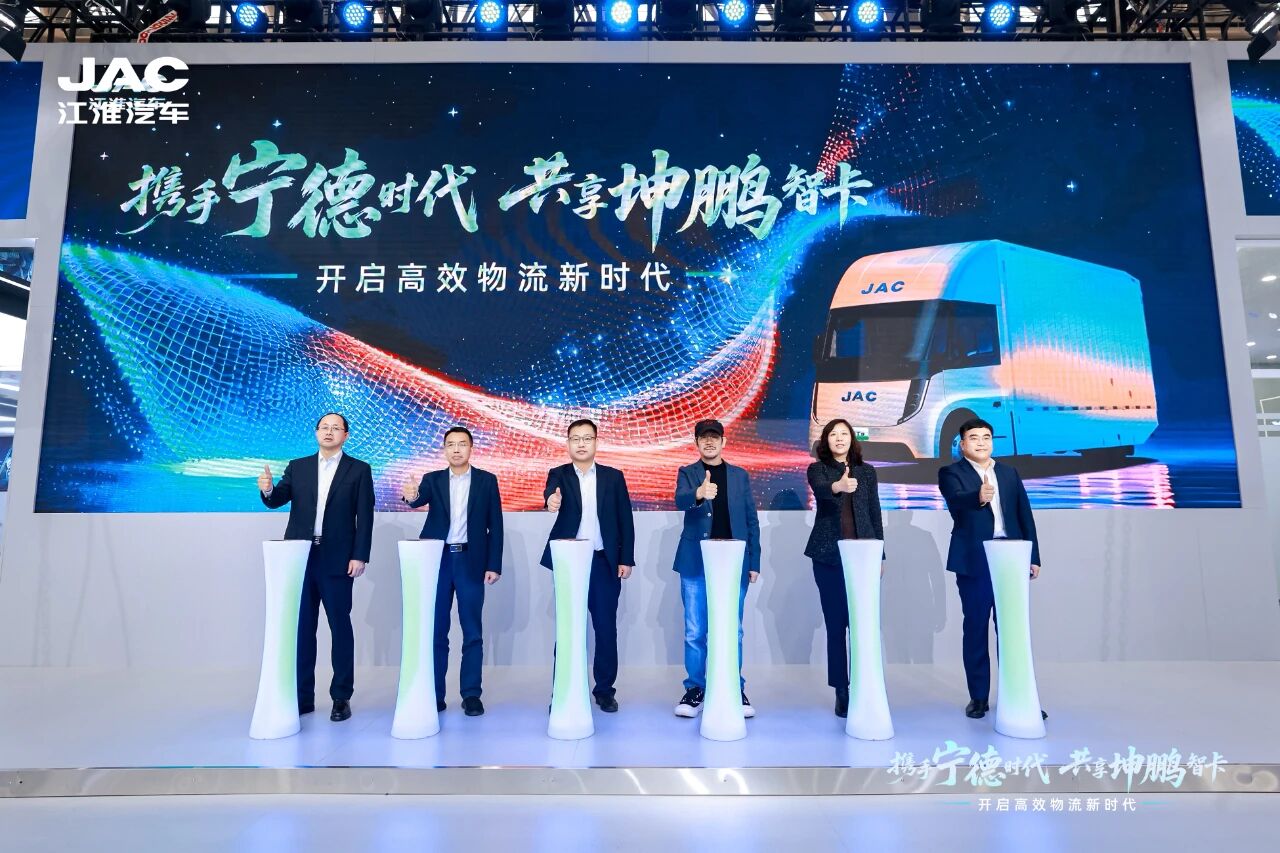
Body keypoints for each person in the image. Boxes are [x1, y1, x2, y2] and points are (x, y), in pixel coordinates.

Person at [258, 412, 374, 723]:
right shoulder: (298, 467)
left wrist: (360, 555)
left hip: (338, 559)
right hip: (300, 558)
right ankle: (302, 697)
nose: (329, 432)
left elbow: (365, 517)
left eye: (336, 428)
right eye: (324, 427)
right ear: (316, 432)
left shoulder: (359, 469)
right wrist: (268, 489)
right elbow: (277, 499)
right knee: (302, 629)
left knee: (340, 628)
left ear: (346, 435)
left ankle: (341, 697)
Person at [937, 417, 1045, 721]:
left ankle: (1018, 696)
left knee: (1012, 630)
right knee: (976, 627)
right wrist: (978, 497)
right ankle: (979, 697)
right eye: (974, 438)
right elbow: (955, 500)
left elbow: (1024, 515)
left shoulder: (1009, 473)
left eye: (986, 437)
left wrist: (1033, 556)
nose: (981, 442)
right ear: (962, 444)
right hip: (975, 559)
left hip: (1011, 556)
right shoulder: (951, 473)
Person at [401, 426, 504, 717]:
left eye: (462, 444)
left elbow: (495, 525)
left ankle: (471, 694)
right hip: (437, 560)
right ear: (444, 449)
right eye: (450, 444)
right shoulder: (432, 479)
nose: (456, 449)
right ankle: (435, 694)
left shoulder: (486, 480)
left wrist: (493, 564)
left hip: (472, 560)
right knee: (436, 630)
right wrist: (410, 496)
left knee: (472, 631)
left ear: (471, 448)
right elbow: (417, 499)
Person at [540, 419, 636, 713]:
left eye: (587, 438)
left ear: (596, 442)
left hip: (603, 561)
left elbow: (625, 519)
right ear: (568, 443)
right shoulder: (559, 474)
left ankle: (604, 690)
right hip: (570, 562)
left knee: (605, 628)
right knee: (568, 628)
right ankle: (563, 690)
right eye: (575, 439)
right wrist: (551, 501)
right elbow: (550, 494)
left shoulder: (613, 477)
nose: (581, 444)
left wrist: (626, 558)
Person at [671, 419, 761, 718]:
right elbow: (680, 500)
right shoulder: (688, 472)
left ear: (724, 441)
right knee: (695, 630)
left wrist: (754, 561)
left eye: (714, 437)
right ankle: (696, 688)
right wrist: (699, 493)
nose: (709, 442)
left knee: (733, 630)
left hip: (734, 562)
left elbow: (750, 519)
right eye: (703, 438)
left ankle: (734, 686)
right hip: (696, 562)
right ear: (696, 443)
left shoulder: (739, 475)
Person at [804, 418, 886, 718]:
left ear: (852, 439)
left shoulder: (867, 472)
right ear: (826, 441)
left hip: (864, 555)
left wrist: (881, 554)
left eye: (844, 434)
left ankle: (864, 683)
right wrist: (838, 486)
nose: (839, 438)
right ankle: (841, 689)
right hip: (828, 556)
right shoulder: (818, 469)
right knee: (836, 624)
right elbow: (822, 490)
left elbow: (875, 513)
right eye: (833, 435)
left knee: (862, 624)